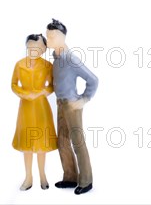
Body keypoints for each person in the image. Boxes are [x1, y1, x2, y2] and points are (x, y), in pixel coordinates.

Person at [46, 19, 99, 195]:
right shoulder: (56, 58)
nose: (49, 39)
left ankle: (86, 180)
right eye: (47, 36)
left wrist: (84, 99)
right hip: (60, 103)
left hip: (72, 105)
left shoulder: (70, 59)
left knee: (77, 142)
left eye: (52, 36)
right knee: (62, 141)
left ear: (62, 37)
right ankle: (70, 177)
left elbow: (93, 79)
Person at [11, 34, 57, 191]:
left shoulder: (47, 66)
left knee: (41, 144)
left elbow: (51, 85)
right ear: (26, 46)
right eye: (30, 46)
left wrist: (42, 92)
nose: (33, 50)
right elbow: (13, 84)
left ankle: (43, 175)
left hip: (41, 108)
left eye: (37, 47)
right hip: (25, 108)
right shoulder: (19, 65)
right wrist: (23, 94)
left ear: (43, 50)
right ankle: (28, 177)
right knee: (27, 144)